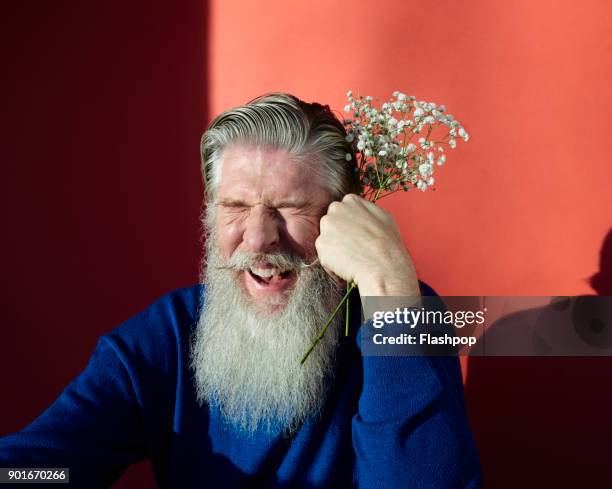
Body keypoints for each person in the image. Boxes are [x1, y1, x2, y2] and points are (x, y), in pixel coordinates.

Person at [0, 93, 482, 488]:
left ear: (346, 215)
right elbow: (52, 464)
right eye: (234, 205)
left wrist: (390, 286)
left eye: (290, 207)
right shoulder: (169, 332)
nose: (258, 238)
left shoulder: (407, 312)